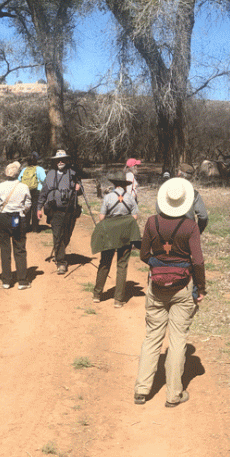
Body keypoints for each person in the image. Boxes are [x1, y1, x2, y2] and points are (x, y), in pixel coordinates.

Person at [134, 177, 206, 408]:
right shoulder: (190, 226)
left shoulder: (152, 222)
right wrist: (201, 287)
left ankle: (142, 389)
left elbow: (144, 254)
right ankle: (173, 394)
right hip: (182, 287)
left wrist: (159, 262)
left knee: (152, 337)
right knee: (177, 340)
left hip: (156, 286)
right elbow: (198, 261)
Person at [90, 171, 141, 308]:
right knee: (122, 264)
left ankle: (97, 294)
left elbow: (101, 217)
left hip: (109, 233)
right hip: (124, 233)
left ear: (114, 184)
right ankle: (118, 299)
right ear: (124, 185)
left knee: (105, 262)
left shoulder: (108, 197)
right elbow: (135, 217)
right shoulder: (130, 198)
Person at [37, 149, 82, 275]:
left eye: (63, 159)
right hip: (55, 211)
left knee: (66, 236)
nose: (60, 162)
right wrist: (39, 207)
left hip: (70, 212)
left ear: (67, 160)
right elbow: (44, 192)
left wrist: (79, 188)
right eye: (58, 160)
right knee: (58, 236)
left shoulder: (73, 173)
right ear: (55, 162)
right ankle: (61, 262)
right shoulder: (50, 175)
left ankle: (59, 251)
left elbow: (81, 190)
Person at [0, 161, 33, 289]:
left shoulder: (1, 186)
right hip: (18, 217)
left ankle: (6, 280)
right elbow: (28, 203)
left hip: (4, 217)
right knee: (20, 249)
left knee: (5, 249)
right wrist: (22, 211)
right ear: (18, 173)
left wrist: (3, 209)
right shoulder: (24, 187)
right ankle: (22, 281)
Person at [155, 168, 209, 233]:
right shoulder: (194, 194)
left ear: (178, 174)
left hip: (165, 231)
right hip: (187, 231)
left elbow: (158, 209)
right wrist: (197, 232)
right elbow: (203, 217)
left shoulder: (165, 191)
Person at [19, 152, 46, 232]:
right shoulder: (39, 169)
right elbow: (45, 180)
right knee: (36, 209)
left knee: (27, 209)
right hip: (36, 191)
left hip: (25, 191)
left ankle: (26, 227)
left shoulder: (24, 170)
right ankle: (35, 228)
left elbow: (19, 180)